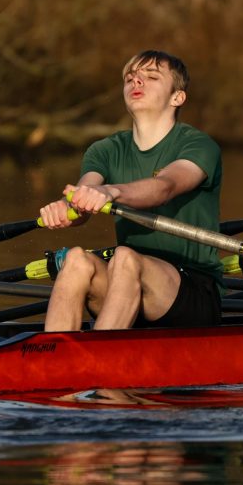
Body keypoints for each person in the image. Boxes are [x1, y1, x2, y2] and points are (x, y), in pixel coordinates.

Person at [38, 50, 223, 331]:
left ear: (177, 97)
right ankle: (53, 352)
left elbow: (165, 187)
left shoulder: (198, 145)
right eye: (130, 78)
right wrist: (67, 206)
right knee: (75, 260)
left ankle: (101, 353)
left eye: (151, 77)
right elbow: (85, 191)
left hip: (193, 292)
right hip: (126, 285)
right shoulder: (105, 150)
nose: (136, 82)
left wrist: (111, 192)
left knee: (124, 257)